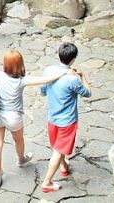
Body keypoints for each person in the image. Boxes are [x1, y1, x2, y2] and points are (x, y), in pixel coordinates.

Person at [0, 50, 68, 187]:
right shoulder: (21, 81)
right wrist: (63, 72)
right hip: (14, 117)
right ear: (20, 65)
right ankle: (21, 159)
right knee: (18, 140)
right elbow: (44, 80)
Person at [39, 42, 92, 193]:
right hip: (67, 121)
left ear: (58, 54)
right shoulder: (73, 79)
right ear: (73, 59)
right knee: (58, 150)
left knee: (57, 147)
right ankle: (47, 182)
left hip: (52, 117)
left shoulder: (48, 71)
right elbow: (88, 93)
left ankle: (63, 167)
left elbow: (43, 91)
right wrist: (83, 77)